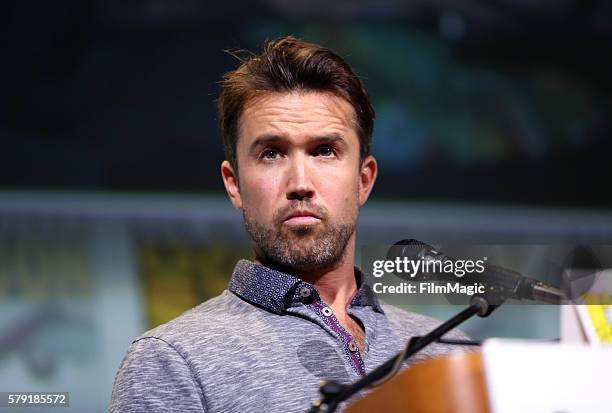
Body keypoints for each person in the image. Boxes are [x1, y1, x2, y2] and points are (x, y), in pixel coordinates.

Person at [110, 36, 468, 413]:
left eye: (324, 151)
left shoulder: (448, 351)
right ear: (234, 184)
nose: (299, 183)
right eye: (271, 153)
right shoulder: (172, 362)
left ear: (363, 180)